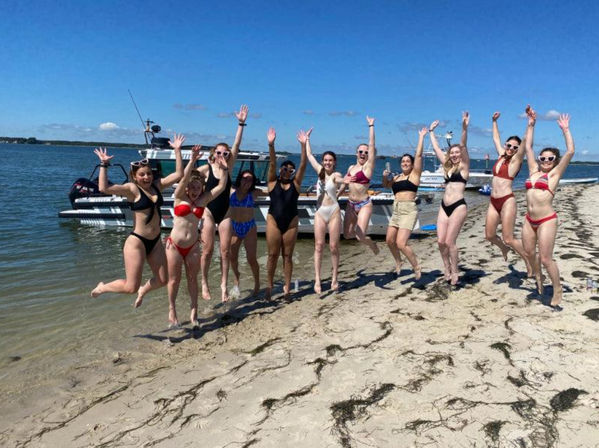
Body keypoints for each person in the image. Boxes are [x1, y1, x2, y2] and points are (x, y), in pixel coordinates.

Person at [90, 135, 184, 304]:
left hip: (155, 241)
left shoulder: (157, 185)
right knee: (130, 288)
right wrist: (104, 164)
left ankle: (144, 289)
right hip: (137, 242)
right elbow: (103, 188)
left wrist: (177, 150)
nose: (146, 177)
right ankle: (102, 287)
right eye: (142, 175)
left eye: (148, 173)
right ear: (134, 175)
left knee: (163, 280)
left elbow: (178, 174)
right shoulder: (132, 190)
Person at [165, 145, 228, 328]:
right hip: (174, 245)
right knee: (174, 280)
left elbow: (222, 186)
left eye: (198, 187)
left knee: (192, 279)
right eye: (191, 187)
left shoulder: (203, 200)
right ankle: (172, 309)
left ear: (202, 188)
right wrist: (192, 160)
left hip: (193, 245)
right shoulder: (179, 197)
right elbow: (183, 180)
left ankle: (194, 310)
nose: (194, 190)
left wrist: (223, 168)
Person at [522, 105, 574, 308]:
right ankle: (538, 277)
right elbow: (527, 147)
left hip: (546, 220)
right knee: (528, 253)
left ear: (555, 161)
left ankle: (557, 287)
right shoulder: (533, 169)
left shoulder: (555, 174)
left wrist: (565, 130)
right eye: (542, 158)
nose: (545, 161)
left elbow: (570, 151)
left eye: (549, 159)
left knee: (545, 258)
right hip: (529, 219)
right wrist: (531, 124)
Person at [197, 105, 248, 303]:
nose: (222, 156)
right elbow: (187, 179)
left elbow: (236, 143)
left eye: (225, 154)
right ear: (213, 154)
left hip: (225, 211)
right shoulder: (206, 168)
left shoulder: (230, 166)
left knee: (225, 251)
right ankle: (204, 282)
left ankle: (223, 286)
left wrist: (241, 123)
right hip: (208, 211)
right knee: (208, 250)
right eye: (219, 153)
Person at [485, 111, 531, 275]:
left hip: (506, 200)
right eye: (508, 145)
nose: (511, 148)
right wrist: (494, 121)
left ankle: (528, 260)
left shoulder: (516, 161)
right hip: (493, 201)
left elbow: (525, 142)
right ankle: (504, 249)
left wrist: (530, 122)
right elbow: (496, 138)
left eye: (514, 147)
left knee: (509, 238)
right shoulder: (501, 155)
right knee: (490, 235)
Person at [265, 127, 307, 299]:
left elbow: (303, 164)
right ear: (280, 170)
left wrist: (304, 146)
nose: (287, 171)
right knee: (272, 255)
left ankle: (287, 288)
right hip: (273, 220)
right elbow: (273, 162)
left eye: (291, 170)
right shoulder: (272, 181)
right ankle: (268, 287)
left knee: (287, 256)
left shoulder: (295, 184)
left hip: (291, 222)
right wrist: (271, 144)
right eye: (285, 168)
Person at [429, 112, 470, 285]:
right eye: (451, 153)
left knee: (450, 242)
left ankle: (455, 271)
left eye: (456, 152)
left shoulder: (464, 166)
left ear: (460, 154)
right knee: (440, 241)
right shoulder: (446, 167)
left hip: (458, 206)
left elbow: (463, 144)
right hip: (443, 207)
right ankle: (446, 267)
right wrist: (431, 132)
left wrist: (464, 127)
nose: (454, 155)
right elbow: (437, 149)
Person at [381, 127, 426, 279]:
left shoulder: (414, 175)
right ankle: (399, 262)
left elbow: (418, 155)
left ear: (412, 165)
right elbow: (386, 186)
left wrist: (421, 137)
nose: (405, 163)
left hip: (408, 210)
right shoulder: (397, 177)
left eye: (408, 161)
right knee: (389, 240)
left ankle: (416, 266)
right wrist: (384, 177)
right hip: (397, 210)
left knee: (401, 243)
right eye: (403, 161)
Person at [304, 128, 345, 293]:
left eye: (330, 160)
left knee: (334, 246)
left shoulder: (335, 174)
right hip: (320, 212)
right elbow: (309, 155)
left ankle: (335, 278)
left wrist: (346, 182)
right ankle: (318, 280)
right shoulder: (319, 172)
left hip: (334, 211)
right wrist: (307, 139)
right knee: (319, 245)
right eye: (325, 160)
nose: (327, 162)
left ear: (334, 162)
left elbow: (341, 181)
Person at [228, 169, 268, 298]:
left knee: (251, 258)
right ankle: (236, 278)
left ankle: (257, 283)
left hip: (249, 227)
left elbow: (273, 190)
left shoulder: (254, 193)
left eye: (250, 179)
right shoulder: (231, 190)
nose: (247, 181)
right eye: (245, 178)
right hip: (234, 227)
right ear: (240, 179)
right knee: (232, 257)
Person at [343, 116, 379, 254]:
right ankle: (367, 240)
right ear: (356, 153)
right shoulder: (351, 167)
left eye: (366, 152)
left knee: (359, 236)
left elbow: (372, 144)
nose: (363, 153)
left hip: (364, 204)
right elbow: (345, 185)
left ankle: (372, 244)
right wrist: (335, 196)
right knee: (347, 235)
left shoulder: (367, 168)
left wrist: (371, 126)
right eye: (360, 151)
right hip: (350, 204)